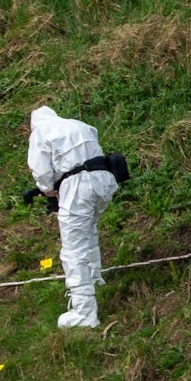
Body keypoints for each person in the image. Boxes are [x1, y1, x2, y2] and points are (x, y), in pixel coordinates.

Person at [25, 105, 122, 329]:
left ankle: (84, 312)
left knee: (72, 249)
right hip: (104, 181)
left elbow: (41, 171)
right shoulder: (79, 125)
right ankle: (96, 278)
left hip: (80, 187)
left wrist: (47, 188)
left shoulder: (41, 132)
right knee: (88, 231)